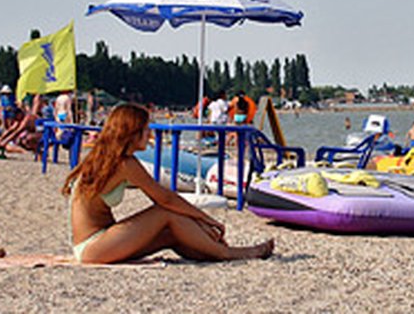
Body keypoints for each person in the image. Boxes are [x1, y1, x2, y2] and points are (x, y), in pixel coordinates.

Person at [62, 103, 273, 264]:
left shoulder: (103, 157)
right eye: (146, 129)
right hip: (93, 247)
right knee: (165, 213)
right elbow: (165, 199)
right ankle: (230, 253)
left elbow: (166, 199)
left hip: (98, 243)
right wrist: (206, 219)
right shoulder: (125, 164)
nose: (150, 134)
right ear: (132, 132)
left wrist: (199, 223)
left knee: (171, 234)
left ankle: (215, 254)